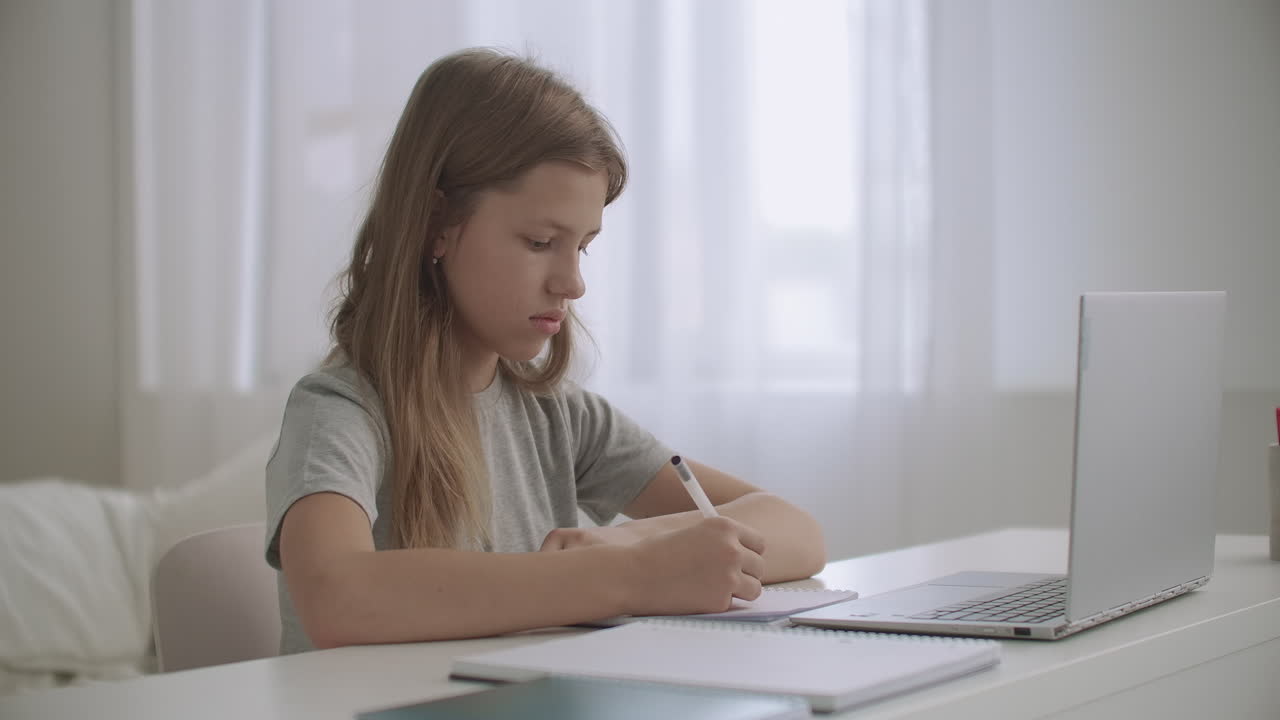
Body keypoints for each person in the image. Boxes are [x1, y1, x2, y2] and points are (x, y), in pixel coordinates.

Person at [264, 48, 826, 654]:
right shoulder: (340, 412)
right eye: (540, 241)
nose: (573, 283)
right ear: (436, 225)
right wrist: (631, 577)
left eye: (582, 246)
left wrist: (626, 545)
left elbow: (799, 531)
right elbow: (338, 597)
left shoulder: (558, 414)